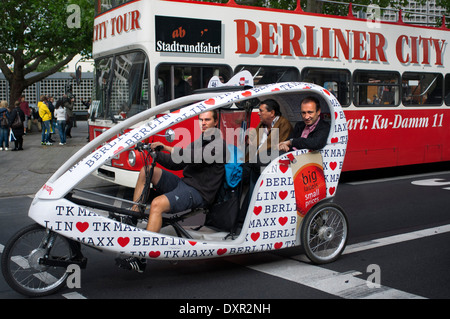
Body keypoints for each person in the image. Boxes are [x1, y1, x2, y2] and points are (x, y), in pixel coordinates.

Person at [116, 110, 228, 272]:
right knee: (148, 170)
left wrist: (165, 149)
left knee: (157, 204)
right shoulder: (199, 141)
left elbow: (190, 158)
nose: (203, 123)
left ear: (216, 122)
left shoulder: (218, 145)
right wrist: (155, 153)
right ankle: (134, 216)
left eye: (207, 120)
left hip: (199, 192)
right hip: (185, 184)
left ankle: (140, 258)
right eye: (201, 120)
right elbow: (177, 163)